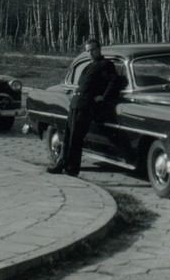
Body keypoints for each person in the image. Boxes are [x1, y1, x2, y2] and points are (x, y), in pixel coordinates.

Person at [46, 39, 124, 177]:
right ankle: (61, 163)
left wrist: (103, 97)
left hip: (87, 105)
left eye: (93, 49)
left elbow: (114, 81)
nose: (90, 53)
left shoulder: (105, 64)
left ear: (99, 49)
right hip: (76, 103)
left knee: (76, 137)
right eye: (88, 50)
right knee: (68, 135)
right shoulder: (88, 66)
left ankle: (72, 170)